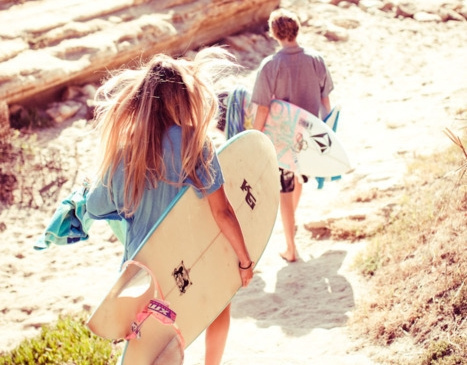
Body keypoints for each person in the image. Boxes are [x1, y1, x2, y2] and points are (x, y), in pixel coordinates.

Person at [86, 47, 253, 365]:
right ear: (183, 98)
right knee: (218, 302)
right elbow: (223, 212)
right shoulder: (194, 143)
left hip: (144, 268)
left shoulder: (125, 150)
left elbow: (95, 207)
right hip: (190, 259)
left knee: (155, 339)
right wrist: (244, 261)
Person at [251, 8, 334, 263]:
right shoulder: (316, 59)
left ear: (274, 34)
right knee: (298, 179)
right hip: (308, 137)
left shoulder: (270, 66)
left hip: (282, 139)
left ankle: (290, 247)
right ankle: (291, 224)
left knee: (285, 189)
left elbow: (263, 107)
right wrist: (328, 133)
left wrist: (254, 137)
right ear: (297, 29)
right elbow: (326, 102)